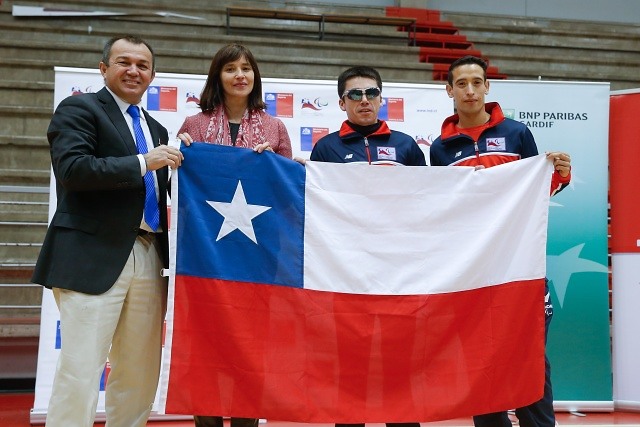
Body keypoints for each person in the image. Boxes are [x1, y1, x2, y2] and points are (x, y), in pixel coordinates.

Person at [31, 35, 184, 427]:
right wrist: (141, 162)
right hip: (91, 254)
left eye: (143, 65)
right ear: (104, 69)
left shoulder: (156, 128)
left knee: (139, 372)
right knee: (81, 370)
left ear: (152, 75)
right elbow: (74, 170)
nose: (134, 70)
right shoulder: (79, 109)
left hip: (151, 255)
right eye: (124, 62)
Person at [429, 55, 571, 427]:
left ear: (488, 87)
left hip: (519, 268)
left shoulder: (517, 133)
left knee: (528, 360)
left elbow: (536, 192)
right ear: (449, 90)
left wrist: (558, 175)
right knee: (481, 362)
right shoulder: (440, 149)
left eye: (477, 82)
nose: (470, 90)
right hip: (473, 273)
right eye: (461, 83)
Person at [177, 43, 292, 427]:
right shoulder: (193, 126)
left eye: (246, 68)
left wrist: (275, 164)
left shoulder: (275, 127)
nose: (240, 75)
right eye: (230, 69)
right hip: (205, 257)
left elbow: (289, 194)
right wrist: (183, 156)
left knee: (250, 350)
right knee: (204, 346)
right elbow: (180, 194)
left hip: (257, 259)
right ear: (218, 77)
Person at [310, 65, 424, 427]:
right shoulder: (325, 147)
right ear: (342, 102)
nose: (365, 101)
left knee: (400, 366)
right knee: (350, 367)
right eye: (355, 95)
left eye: (372, 93)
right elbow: (315, 206)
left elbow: (428, 203)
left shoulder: (405, 145)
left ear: (381, 98)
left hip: (399, 272)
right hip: (347, 273)